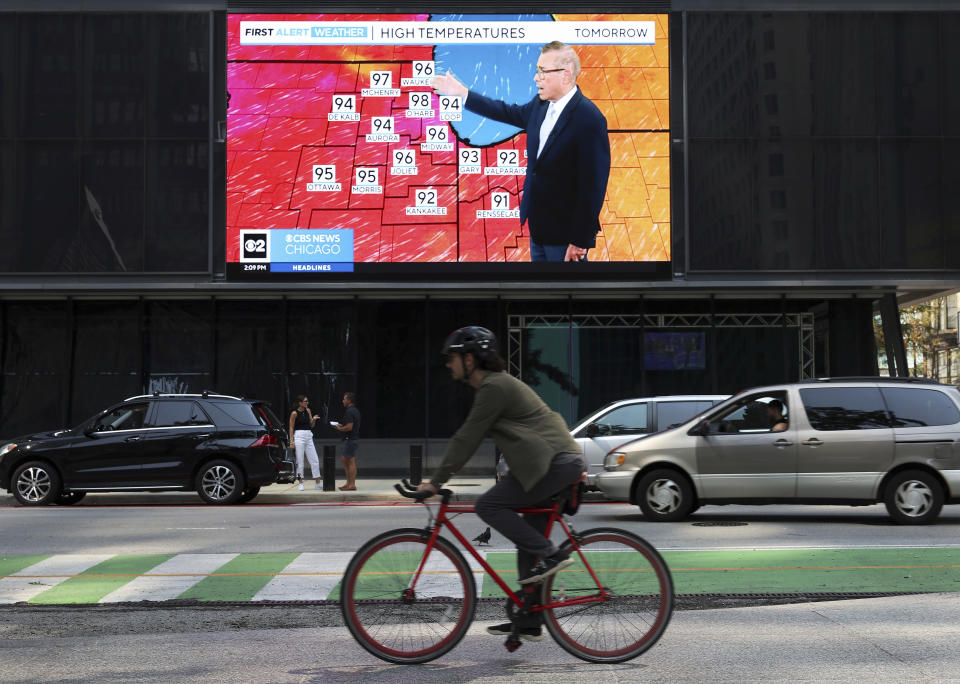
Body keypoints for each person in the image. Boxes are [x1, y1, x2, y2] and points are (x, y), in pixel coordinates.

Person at [417, 326, 586, 642]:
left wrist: (435, 482)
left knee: (489, 505)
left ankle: (554, 555)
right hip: (550, 464)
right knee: (527, 544)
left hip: (556, 464)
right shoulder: (494, 386)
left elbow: (467, 437)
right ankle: (529, 618)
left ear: (470, 359)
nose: (447, 364)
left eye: (451, 358)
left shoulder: (494, 387)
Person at [431, 42, 610, 263]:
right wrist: (463, 93)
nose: (536, 78)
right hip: (539, 227)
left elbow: (593, 187)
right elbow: (505, 111)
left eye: (543, 71)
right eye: (537, 71)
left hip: (566, 236)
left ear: (566, 75)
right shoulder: (540, 106)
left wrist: (580, 239)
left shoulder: (589, 119)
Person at [288, 395, 321, 490]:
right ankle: (300, 482)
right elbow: (291, 427)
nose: (307, 403)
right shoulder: (294, 413)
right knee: (300, 461)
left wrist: (314, 419)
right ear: (300, 403)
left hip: (308, 436)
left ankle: (318, 483)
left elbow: (311, 425)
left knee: (314, 459)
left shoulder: (308, 410)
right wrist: (291, 442)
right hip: (299, 436)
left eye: (307, 401)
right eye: (305, 401)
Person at [332, 392, 361, 491]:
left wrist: (339, 428)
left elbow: (349, 427)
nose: (342, 401)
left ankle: (351, 485)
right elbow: (350, 425)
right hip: (352, 439)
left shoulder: (349, 411)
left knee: (350, 461)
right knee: (346, 461)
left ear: (349, 400)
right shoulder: (355, 411)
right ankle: (348, 483)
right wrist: (341, 426)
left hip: (349, 439)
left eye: (344, 399)